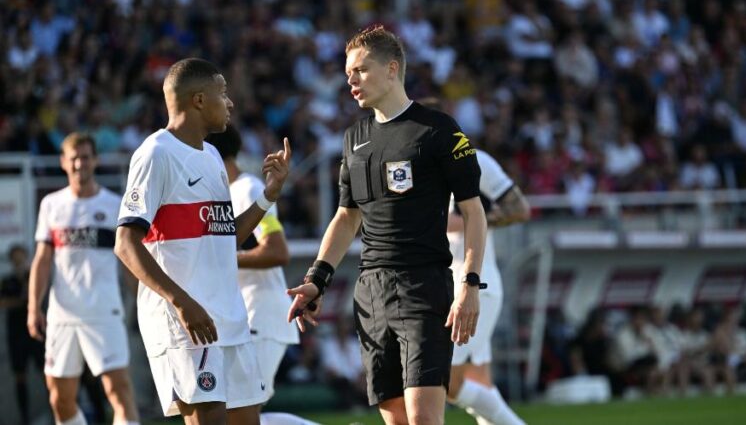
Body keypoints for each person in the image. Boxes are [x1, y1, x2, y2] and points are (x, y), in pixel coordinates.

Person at [287, 25, 487, 425]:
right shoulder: (354, 138)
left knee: (423, 419)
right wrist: (316, 279)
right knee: (395, 420)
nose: (352, 81)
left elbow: (473, 212)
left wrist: (470, 284)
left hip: (424, 286)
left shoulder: (438, 130)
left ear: (392, 68)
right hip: (371, 291)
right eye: (348, 74)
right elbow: (347, 217)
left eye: (360, 70)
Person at [114, 58, 291, 425]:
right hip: (187, 324)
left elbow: (226, 239)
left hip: (229, 317)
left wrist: (268, 196)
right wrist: (182, 303)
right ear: (197, 100)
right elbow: (126, 244)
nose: (229, 102)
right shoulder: (155, 153)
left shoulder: (211, 156)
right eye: (222, 93)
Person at [206, 125, 317, 425]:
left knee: (239, 415)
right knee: (235, 415)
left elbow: (277, 250)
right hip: (242, 317)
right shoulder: (224, 192)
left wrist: (222, 259)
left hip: (259, 314)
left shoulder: (249, 189)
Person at [27, 132, 140, 425]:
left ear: (96, 160)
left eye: (86, 157)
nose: (80, 164)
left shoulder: (115, 204)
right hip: (63, 314)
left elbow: (129, 259)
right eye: (74, 158)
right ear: (64, 163)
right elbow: (42, 259)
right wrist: (33, 307)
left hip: (105, 310)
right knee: (59, 399)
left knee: (119, 392)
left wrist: (142, 301)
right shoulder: (51, 205)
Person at [445, 149, 530, 425]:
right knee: (478, 380)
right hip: (447, 285)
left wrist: (473, 220)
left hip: (474, 284)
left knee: (443, 379)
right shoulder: (411, 161)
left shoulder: (473, 159)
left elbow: (519, 209)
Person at [1, 244, 44, 424]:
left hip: (36, 333)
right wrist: (23, 300)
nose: (19, 260)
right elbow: (3, 302)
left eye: (21, 256)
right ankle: (25, 417)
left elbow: (41, 296)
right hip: (16, 335)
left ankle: (57, 412)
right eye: (15, 257)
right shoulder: (7, 280)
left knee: (47, 373)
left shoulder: (34, 276)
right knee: (20, 376)